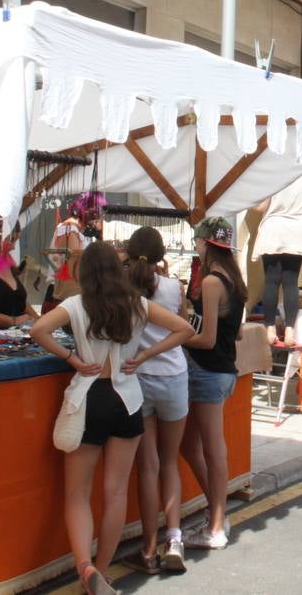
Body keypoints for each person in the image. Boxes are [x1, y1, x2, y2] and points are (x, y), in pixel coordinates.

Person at [30, 242, 193, 595]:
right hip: (128, 398)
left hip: (89, 397)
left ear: (83, 273)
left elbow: (37, 330)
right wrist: (146, 353)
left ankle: (85, 568)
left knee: (77, 494)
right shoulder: (137, 305)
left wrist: (71, 357)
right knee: (115, 492)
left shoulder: (75, 305)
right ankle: (102, 572)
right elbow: (185, 329)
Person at [126, 227, 193, 574]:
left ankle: (149, 549)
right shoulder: (172, 287)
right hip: (173, 376)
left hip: (138, 378)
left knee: (147, 466)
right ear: (160, 256)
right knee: (170, 463)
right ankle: (175, 539)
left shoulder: (124, 290)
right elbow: (182, 322)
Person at [179, 217, 248, 550]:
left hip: (207, 371)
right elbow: (232, 332)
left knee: (210, 448)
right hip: (224, 371)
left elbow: (206, 340)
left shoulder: (210, 283)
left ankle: (216, 527)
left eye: (198, 243)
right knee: (192, 446)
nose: (197, 247)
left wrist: (178, 334)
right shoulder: (234, 281)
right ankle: (217, 511)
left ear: (206, 244)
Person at [250, 177, 302, 347]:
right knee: (291, 284)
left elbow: (260, 206)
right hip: (297, 229)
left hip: (274, 228)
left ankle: (270, 330)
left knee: (271, 282)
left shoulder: (274, 175)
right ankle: (290, 331)